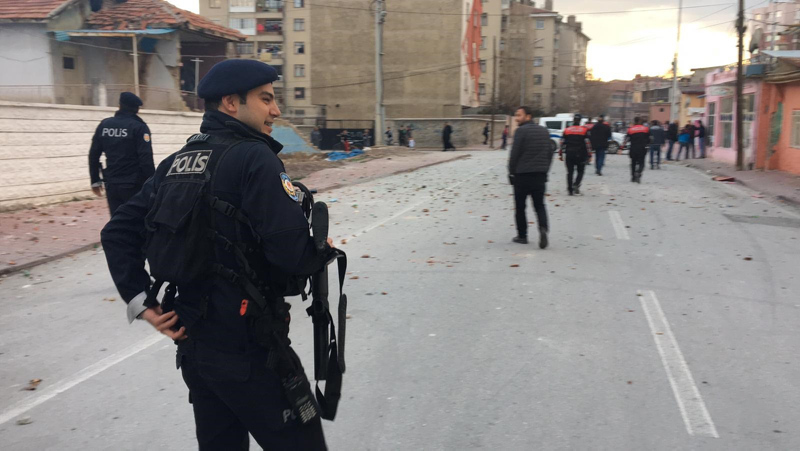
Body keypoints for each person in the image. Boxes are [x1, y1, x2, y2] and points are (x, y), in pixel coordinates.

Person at [100, 59, 334, 450]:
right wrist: (320, 250)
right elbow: (291, 256)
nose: (275, 110)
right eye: (265, 99)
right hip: (253, 352)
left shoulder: (176, 162)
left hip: (197, 353)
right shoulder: (256, 157)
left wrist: (144, 305)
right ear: (230, 102)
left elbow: (117, 232)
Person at [88, 92, 154, 215]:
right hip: (134, 185)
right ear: (137, 109)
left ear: (120, 106)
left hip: (111, 184)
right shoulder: (139, 127)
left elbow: (94, 154)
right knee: (136, 220)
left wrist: (95, 180)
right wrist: (153, 184)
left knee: (116, 220)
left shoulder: (104, 125)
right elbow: (146, 159)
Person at [508, 106, 553, 248]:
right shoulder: (544, 131)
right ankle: (543, 228)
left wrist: (511, 172)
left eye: (519, 115)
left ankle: (522, 236)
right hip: (539, 175)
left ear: (528, 116)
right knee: (540, 205)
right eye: (516, 115)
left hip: (522, 175)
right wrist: (545, 170)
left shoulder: (520, 131)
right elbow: (549, 153)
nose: (516, 118)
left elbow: (514, 154)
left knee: (520, 207)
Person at [559, 114, 591, 195]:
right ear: (580, 121)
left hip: (569, 153)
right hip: (581, 154)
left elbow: (562, 142)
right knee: (581, 171)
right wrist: (590, 154)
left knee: (570, 172)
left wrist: (560, 153)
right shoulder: (584, 130)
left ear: (573, 120)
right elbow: (587, 143)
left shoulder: (567, 130)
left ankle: (570, 190)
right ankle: (576, 184)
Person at [623, 117, 650, 183]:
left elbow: (626, 139)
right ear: (640, 121)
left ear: (634, 121)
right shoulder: (646, 129)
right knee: (641, 163)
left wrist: (622, 147)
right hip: (642, 148)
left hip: (633, 148)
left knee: (633, 163)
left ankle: (633, 177)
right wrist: (647, 143)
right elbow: (651, 139)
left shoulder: (630, 129)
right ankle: (638, 172)